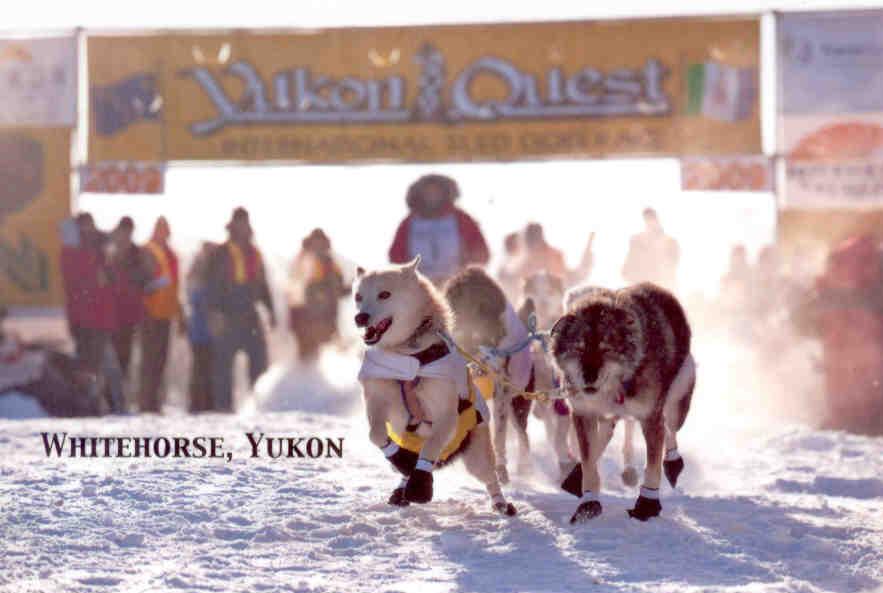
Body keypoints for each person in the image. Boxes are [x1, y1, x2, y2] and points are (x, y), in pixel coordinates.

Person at [205, 207, 276, 412]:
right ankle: (223, 409)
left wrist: (271, 311)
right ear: (232, 226)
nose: (242, 227)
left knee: (259, 362)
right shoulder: (221, 252)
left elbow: (263, 285)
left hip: (249, 314)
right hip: (227, 314)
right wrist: (214, 313)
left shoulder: (255, 253)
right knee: (223, 367)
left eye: (244, 223)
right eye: (238, 223)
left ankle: (259, 407)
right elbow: (210, 285)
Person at [59, 213, 124, 412]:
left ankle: (103, 403)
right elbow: (81, 279)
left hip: (95, 317)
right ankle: (96, 403)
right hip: (88, 318)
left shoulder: (98, 251)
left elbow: (111, 281)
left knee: (94, 363)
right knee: (91, 364)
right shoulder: (81, 252)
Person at [1, 306, 102, 417]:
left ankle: (86, 402)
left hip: (31, 374)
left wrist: (34, 347)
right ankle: (85, 410)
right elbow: (12, 359)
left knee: (59, 361)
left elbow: (17, 352)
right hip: (29, 378)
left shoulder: (8, 338)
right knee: (61, 392)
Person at [388, 174, 489, 285]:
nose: (432, 196)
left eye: (436, 192)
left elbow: (482, 252)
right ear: (419, 195)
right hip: (420, 284)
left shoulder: (461, 219)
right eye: (428, 193)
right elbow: (395, 256)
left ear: (445, 193)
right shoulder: (409, 223)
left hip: (456, 283)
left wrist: (468, 269)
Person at [138, 216, 183, 413]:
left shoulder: (171, 255)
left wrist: (180, 314)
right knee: (149, 361)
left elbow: (174, 287)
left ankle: (155, 403)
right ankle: (146, 403)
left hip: (166, 314)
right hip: (149, 314)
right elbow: (142, 283)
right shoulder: (146, 251)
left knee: (160, 361)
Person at [287, 228, 350, 363]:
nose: (320, 247)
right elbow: (295, 296)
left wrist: (355, 286)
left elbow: (339, 290)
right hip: (308, 323)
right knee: (309, 361)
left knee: (329, 361)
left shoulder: (331, 265)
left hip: (328, 321)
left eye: (322, 244)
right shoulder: (303, 262)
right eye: (316, 244)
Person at [108, 216, 150, 377]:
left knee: (123, 358)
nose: (125, 235)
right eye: (123, 231)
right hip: (109, 313)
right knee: (109, 359)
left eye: (128, 232)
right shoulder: (108, 250)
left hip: (129, 314)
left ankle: (119, 395)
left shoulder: (138, 253)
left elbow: (147, 278)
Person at [185, 242, 216, 413]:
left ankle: (203, 402)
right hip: (200, 329)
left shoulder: (210, 276)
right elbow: (195, 300)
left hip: (205, 330)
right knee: (200, 367)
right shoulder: (197, 277)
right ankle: (197, 403)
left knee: (205, 368)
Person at [622, 207, 680, 292]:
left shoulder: (669, 242)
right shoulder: (636, 240)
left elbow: (673, 264)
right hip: (644, 285)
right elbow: (628, 265)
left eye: (651, 219)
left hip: (660, 285)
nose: (650, 223)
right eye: (648, 219)